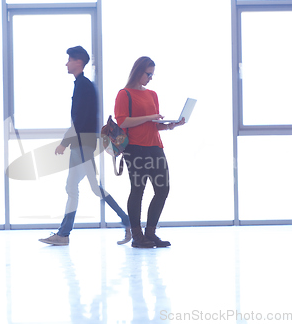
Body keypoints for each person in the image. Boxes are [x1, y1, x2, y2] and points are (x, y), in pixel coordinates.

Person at [39, 46, 131, 246]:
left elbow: (80, 120)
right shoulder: (82, 85)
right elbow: (81, 119)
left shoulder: (83, 85)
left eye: (69, 59)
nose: (66, 63)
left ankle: (126, 221)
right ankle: (64, 233)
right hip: (83, 145)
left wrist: (64, 142)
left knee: (86, 188)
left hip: (82, 146)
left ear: (78, 62)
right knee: (76, 187)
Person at [114, 56, 185, 248]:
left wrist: (171, 125)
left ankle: (150, 233)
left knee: (163, 189)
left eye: (152, 74)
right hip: (135, 148)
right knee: (138, 190)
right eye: (148, 74)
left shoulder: (152, 94)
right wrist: (149, 117)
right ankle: (137, 236)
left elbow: (152, 125)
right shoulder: (124, 94)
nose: (150, 78)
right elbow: (122, 122)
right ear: (138, 72)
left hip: (155, 146)